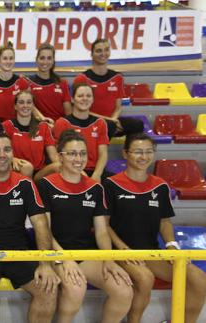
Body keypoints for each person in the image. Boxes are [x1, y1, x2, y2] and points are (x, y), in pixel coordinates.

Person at [104, 132, 206, 323]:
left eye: (149, 151)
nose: (144, 156)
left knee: (198, 278)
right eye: (138, 152)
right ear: (125, 154)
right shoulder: (111, 184)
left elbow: (164, 221)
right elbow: (103, 224)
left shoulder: (160, 186)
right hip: (120, 253)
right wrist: (122, 248)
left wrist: (171, 244)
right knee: (145, 278)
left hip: (151, 252)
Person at [0, 131, 60, 323]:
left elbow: (40, 223)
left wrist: (45, 264)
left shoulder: (25, 184)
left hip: (19, 252)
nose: (2, 154)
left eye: (7, 149)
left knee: (48, 289)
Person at [37, 130, 133, 323]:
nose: (78, 159)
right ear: (60, 156)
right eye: (72, 154)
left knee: (124, 290)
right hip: (55, 253)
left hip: (86, 254)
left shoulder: (95, 188)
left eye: (82, 153)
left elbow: (101, 231)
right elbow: (44, 230)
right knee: (75, 288)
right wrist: (64, 259)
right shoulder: (45, 185)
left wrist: (108, 259)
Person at [73, 39, 143, 137]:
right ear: (91, 54)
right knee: (108, 126)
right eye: (99, 51)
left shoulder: (117, 77)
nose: (103, 53)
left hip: (112, 121)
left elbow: (118, 107)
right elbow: (81, 109)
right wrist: (111, 121)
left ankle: (128, 151)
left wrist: (114, 119)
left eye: (106, 50)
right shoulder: (82, 78)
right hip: (90, 120)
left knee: (137, 124)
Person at [53, 83, 109, 182]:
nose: (85, 98)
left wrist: (97, 174)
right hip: (70, 169)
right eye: (80, 96)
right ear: (73, 99)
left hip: (95, 171)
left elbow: (103, 153)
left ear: (93, 99)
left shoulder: (100, 123)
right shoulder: (62, 123)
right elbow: (59, 154)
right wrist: (78, 172)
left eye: (88, 96)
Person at [2, 90, 58, 180]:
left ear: (33, 106)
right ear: (15, 106)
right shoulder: (7, 126)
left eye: (29, 102)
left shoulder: (43, 126)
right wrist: (12, 159)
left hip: (39, 173)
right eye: (21, 102)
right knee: (27, 167)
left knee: (60, 165)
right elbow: (1, 150)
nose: (25, 106)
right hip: (17, 168)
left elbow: (54, 156)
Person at [26, 43, 72, 123]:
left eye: (49, 58)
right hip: (37, 127)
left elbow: (69, 114)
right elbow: (28, 107)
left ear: (53, 61)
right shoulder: (28, 83)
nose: (45, 62)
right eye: (42, 58)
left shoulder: (62, 83)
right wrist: (44, 120)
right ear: (36, 60)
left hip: (59, 128)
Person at [0, 42, 29, 122]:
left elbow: (31, 107)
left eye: (11, 58)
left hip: (17, 127)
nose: (8, 61)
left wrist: (42, 118)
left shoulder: (22, 82)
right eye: (5, 58)